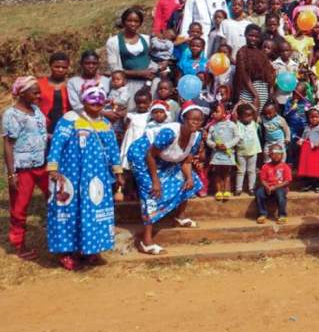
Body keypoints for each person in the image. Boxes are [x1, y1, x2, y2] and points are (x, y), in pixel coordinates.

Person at [46, 86, 123, 270]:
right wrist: (53, 169)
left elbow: (113, 149)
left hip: (97, 177)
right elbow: (56, 144)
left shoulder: (105, 123)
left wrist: (118, 173)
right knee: (67, 212)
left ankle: (90, 249)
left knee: (94, 212)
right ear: (83, 101)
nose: (96, 104)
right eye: (91, 100)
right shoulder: (69, 119)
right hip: (70, 175)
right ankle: (66, 252)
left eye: (99, 101)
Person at [127, 103, 205, 255]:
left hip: (163, 156)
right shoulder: (169, 133)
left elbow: (186, 160)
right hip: (141, 155)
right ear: (184, 119)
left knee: (190, 180)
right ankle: (146, 241)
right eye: (192, 119)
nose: (195, 122)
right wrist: (155, 181)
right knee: (151, 192)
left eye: (199, 120)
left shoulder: (196, 137)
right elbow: (150, 154)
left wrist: (188, 177)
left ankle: (180, 217)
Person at [3, 76, 49, 260]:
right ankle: (19, 245)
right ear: (22, 93)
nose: (39, 95)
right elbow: (8, 144)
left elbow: (40, 133)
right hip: (23, 168)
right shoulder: (11, 114)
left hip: (42, 164)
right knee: (19, 208)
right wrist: (11, 173)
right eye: (35, 92)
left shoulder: (36, 110)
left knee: (55, 198)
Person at [105, 7, 156, 108]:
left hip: (148, 84)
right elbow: (114, 68)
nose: (133, 24)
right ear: (123, 22)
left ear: (140, 23)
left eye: (136, 21)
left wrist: (151, 72)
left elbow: (154, 58)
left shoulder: (147, 39)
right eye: (129, 20)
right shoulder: (113, 42)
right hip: (127, 85)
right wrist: (139, 73)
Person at [233, 24, 275, 112]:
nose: (253, 38)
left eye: (256, 36)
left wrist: (270, 92)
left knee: (257, 121)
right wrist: (255, 95)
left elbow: (270, 73)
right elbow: (244, 76)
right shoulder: (242, 52)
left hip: (262, 92)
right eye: (251, 35)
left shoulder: (261, 53)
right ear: (245, 35)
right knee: (246, 118)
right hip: (249, 92)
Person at [206, 102, 239, 201]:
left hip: (228, 154)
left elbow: (237, 137)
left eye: (217, 112)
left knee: (227, 172)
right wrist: (215, 145)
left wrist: (228, 145)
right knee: (217, 172)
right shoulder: (212, 127)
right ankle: (219, 190)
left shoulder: (232, 125)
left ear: (225, 112)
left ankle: (227, 190)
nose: (214, 114)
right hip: (216, 154)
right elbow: (208, 140)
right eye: (213, 112)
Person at [256, 144, 292, 224]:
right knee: (259, 193)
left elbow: (287, 181)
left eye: (278, 154)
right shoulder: (265, 166)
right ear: (269, 155)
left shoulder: (285, 166)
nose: (276, 156)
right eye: (273, 154)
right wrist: (267, 187)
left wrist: (275, 187)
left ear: (282, 155)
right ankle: (262, 214)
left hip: (280, 188)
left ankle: (282, 215)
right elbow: (262, 180)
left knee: (280, 193)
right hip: (268, 188)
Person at [37, 52, 71, 135]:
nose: (60, 69)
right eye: (57, 67)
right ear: (50, 66)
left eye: (64, 67)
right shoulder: (39, 84)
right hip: (43, 126)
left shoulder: (71, 85)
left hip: (66, 126)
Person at [234, 103, 261, 196]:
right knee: (240, 171)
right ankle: (238, 189)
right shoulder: (238, 124)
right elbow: (234, 115)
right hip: (241, 152)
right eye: (246, 116)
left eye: (250, 116)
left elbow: (256, 113)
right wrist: (237, 105)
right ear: (240, 117)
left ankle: (251, 188)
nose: (249, 118)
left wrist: (250, 104)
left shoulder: (254, 124)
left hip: (253, 151)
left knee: (251, 170)